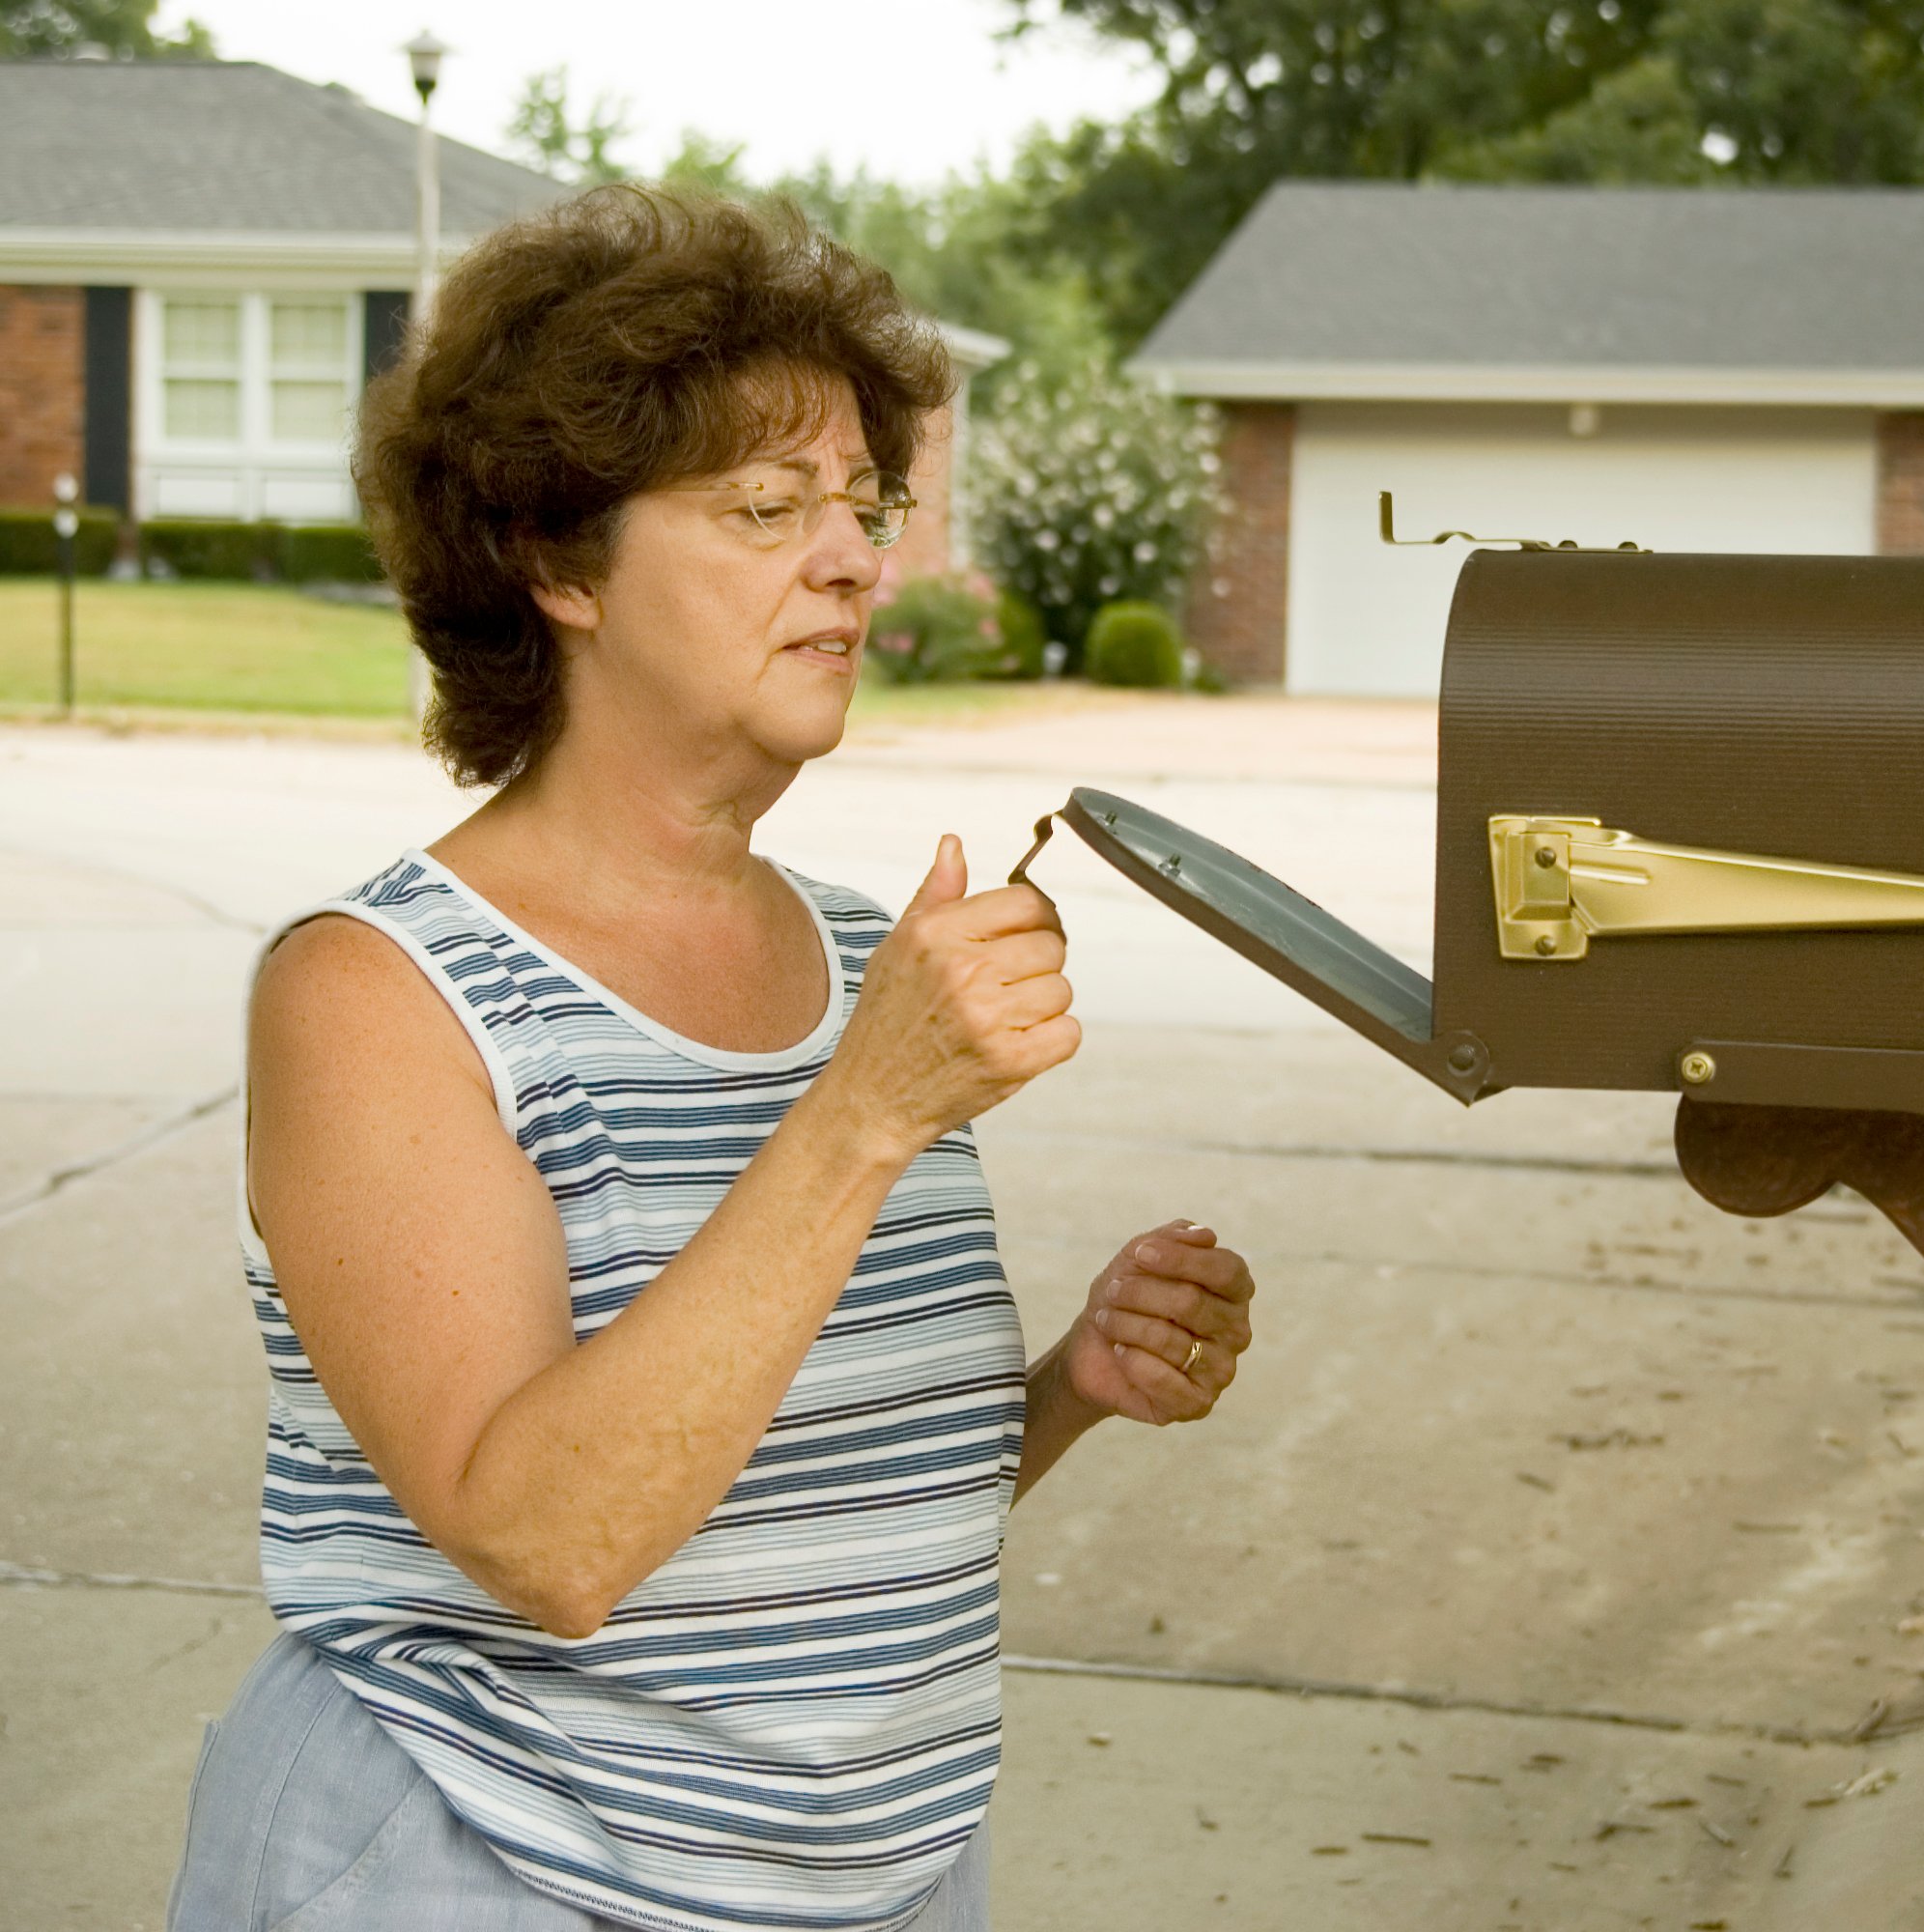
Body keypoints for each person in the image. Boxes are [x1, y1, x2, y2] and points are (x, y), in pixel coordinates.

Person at [165, 185, 1257, 1932]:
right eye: (765, 506)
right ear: (553, 557)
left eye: (861, 503)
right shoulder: (376, 995)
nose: (851, 556)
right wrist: (868, 1113)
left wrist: (1066, 1384)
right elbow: (549, 1540)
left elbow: (777, 1493)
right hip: (479, 1865)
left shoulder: (849, 956)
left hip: (877, 1874)